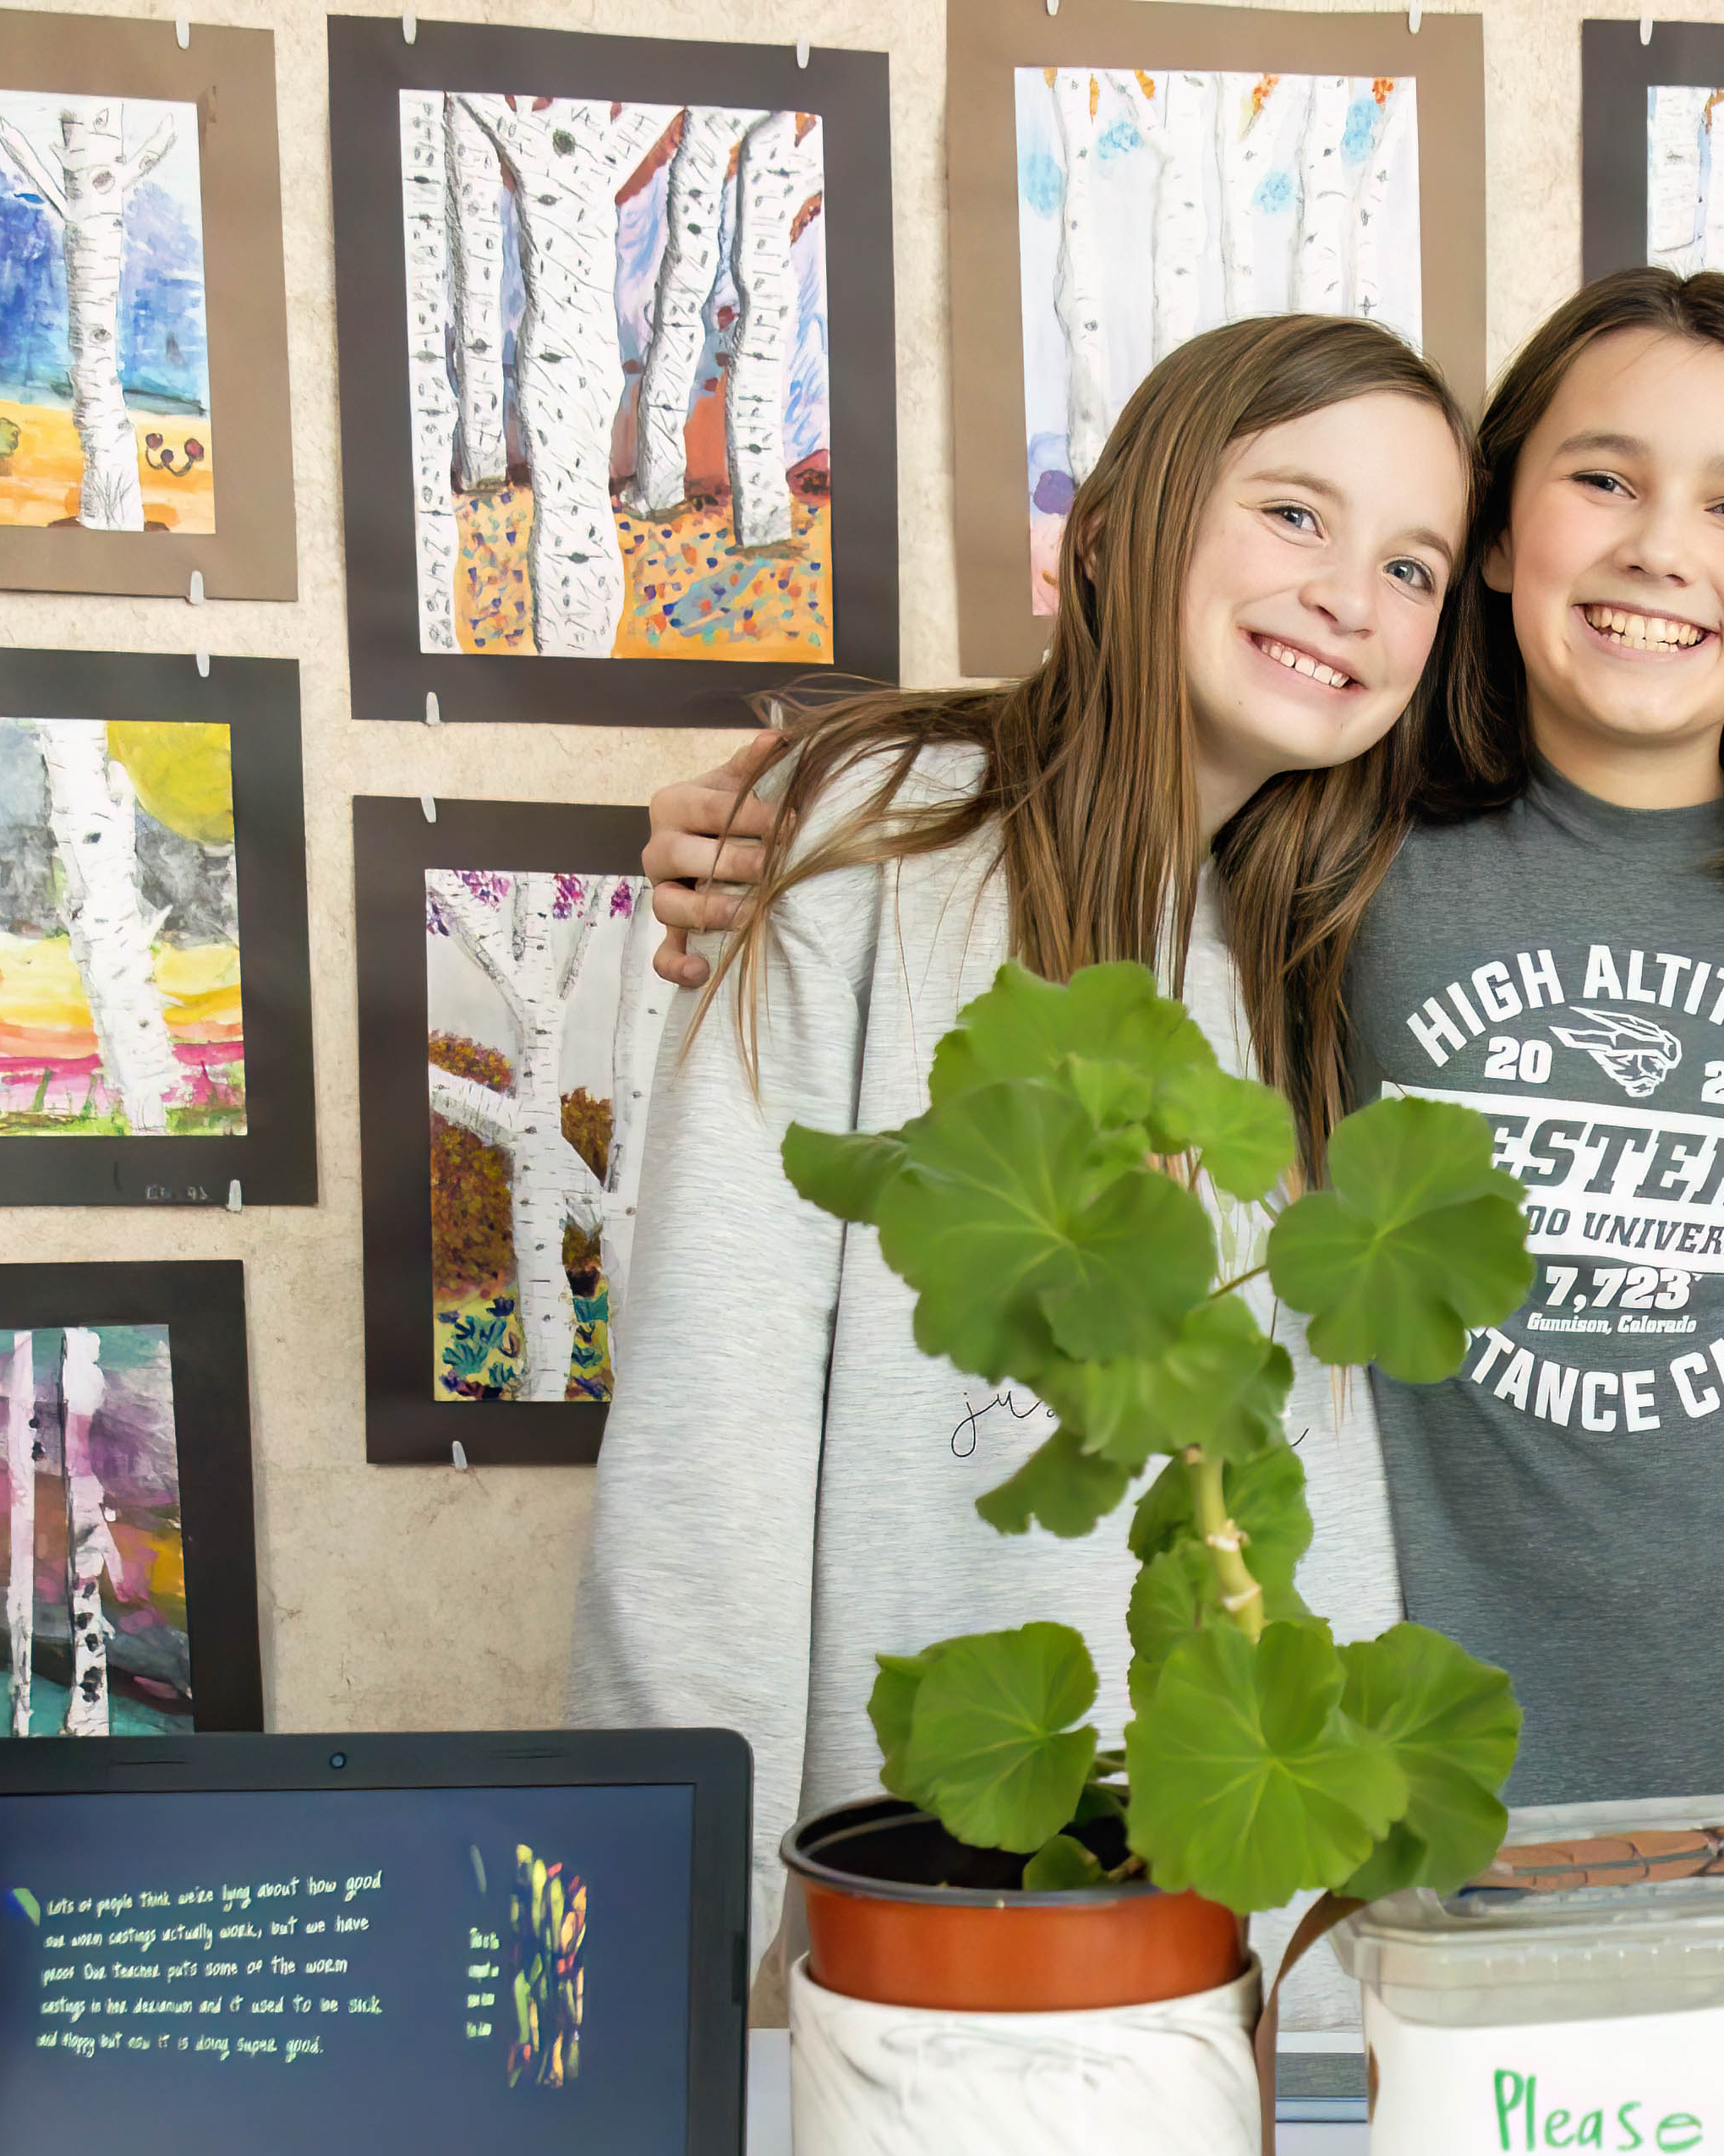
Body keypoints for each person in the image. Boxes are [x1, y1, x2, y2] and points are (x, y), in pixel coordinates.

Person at [637, 272, 1724, 1820]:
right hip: (1420, 1804)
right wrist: (828, 796)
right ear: (1501, 544)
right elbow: (1121, 752)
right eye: (1600, 479)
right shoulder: (1334, 842)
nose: (1663, 545)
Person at [566, 315, 1470, 1901]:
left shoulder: (1326, 930)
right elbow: (712, 1459)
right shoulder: (860, 838)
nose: (1351, 593)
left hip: (1257, 1940)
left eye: (1415, 567)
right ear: (1112, 537)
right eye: (1296, 513)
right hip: (921, 1900)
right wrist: (687, 1978)